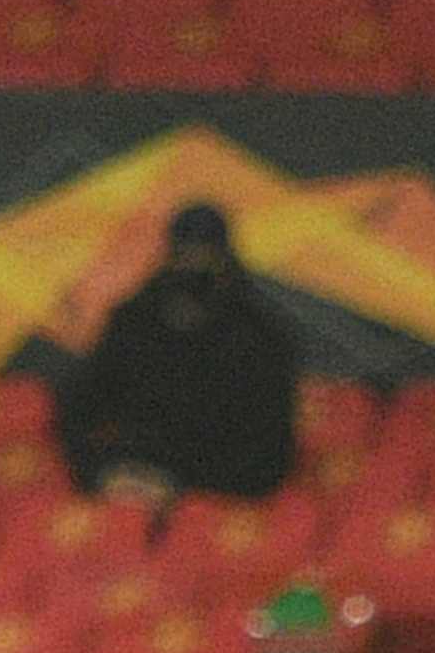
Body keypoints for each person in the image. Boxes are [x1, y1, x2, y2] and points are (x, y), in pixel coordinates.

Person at [57, 204, 298, 506]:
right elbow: (78, 411)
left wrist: (182, 487)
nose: (194, 269)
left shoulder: (260, 338)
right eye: (185, 257)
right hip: (129, 479)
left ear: (225, 261)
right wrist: (104, 471)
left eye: (205, 258)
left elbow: (269, 453)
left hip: (216, 492)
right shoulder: (132, 322)